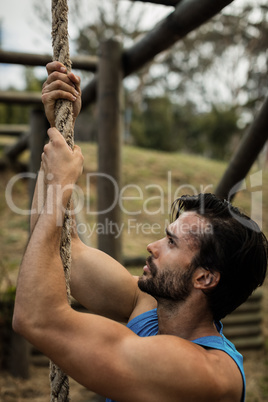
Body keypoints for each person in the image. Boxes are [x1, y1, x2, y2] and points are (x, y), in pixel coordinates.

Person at [13, 62, 267, 402]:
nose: (152, 245)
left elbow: (37, 319)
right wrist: (58, 130)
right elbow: (63, 251)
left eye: (172, 242)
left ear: (205, 278)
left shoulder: (206, 372)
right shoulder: (149, 304)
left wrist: (61, 184)